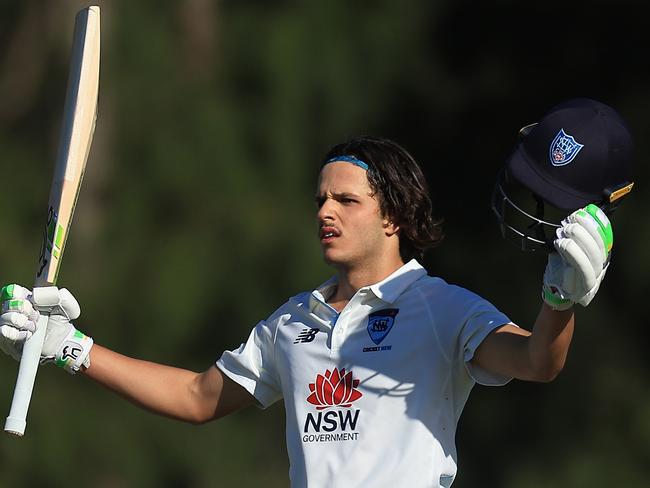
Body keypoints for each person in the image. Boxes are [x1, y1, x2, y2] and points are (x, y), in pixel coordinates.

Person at [0, 99, 633, 487]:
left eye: (346, 200)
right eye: (321, 199)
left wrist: (559, 300)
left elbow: (536, 361)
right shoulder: (291, 323)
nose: (325, 212)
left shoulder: (443, 308)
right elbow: (196, 397)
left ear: (393, 217)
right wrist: (71, 348)